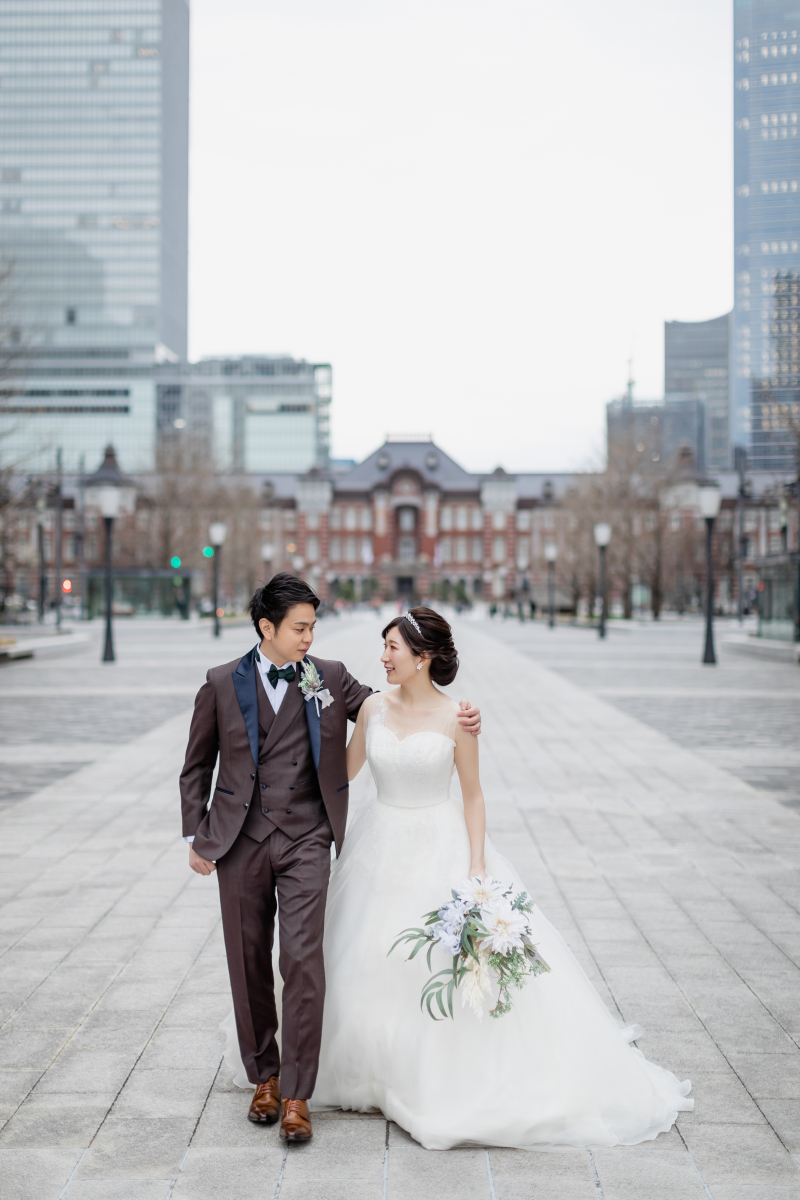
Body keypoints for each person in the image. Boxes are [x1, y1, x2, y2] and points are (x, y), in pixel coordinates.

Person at [225, 605, 693, 1150]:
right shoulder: (372, 707)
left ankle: (426, 1075)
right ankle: (357, 1069)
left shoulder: (457, 717)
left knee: (426, 959)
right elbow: (340, 772)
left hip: (438, 842)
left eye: (393, 648)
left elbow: (473, 795)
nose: (383, 657)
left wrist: (476, 867)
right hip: (378, 843)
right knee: (360, 954)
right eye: (383, 647)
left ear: (422, 658)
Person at [180, 576, 481, 1141]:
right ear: (266, 628)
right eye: (300, 627)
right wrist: (199, 836)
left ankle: (297, 1092)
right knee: (247, 963)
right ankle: (263, 1076)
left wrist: (454, 716)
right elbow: (196, 765)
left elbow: (392, 706)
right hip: (240, 841)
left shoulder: (329, 677)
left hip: (306, 840)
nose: (309, 637)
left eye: (313, 626)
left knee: (302, 958)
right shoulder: (221, 683)